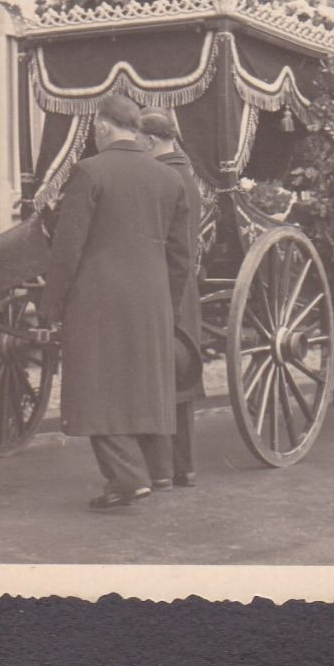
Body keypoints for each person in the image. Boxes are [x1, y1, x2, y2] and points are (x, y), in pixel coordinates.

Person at [41, 93, 192, 510]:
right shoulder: (169, 178)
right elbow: (181, 254)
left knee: (97, 385)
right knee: (146, 381)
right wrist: (169, 302)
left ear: (104, 126)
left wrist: (50, 307)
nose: (94, 133)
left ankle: (127, 478)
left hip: (98, 295)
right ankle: (159, 470)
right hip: (153, 295)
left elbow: (67, 249)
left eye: (94, 127)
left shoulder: (90, 171)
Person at [138, 108, 207, 489]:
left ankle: (162, 469)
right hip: (181, 285)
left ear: (149, 141)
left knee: (163, 374)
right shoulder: (185, 174)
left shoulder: (165, 177)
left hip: (168, 286)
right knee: (178, 376)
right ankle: (183, 466)